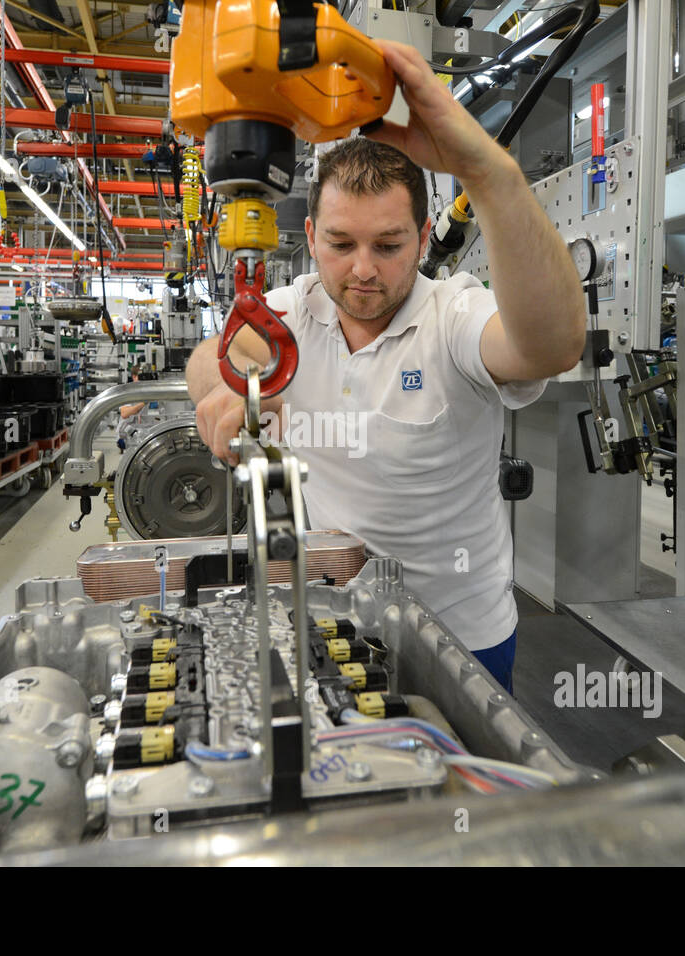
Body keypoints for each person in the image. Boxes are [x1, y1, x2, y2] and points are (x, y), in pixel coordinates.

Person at [185, 40, 585, 693]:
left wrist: (490, 173)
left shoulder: (453, 314)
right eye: (341, 244)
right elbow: (217, 354)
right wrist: (222, 392)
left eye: (389, 245)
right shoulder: (292, 309)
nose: (363, 269)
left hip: (463, 638)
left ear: (424, 241)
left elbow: (551, 347)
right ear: (311, 237)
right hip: (334, 619)